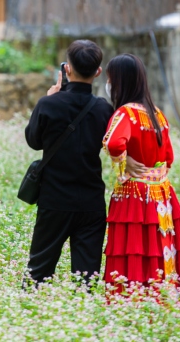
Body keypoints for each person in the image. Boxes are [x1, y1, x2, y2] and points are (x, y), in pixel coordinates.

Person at [102, 54, 180, 299]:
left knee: (135, 252)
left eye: (111, 78)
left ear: (120, 82)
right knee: (161, 249)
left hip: (135, 196)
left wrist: (124, 161)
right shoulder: (158, 115)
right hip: (162, 196)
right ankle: (165, 302)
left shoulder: (125, 114)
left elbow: (113, 143)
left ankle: (134, 305)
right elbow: (169, 158)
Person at [24, 40, 114, 285]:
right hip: (91, 202)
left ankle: (31, 313)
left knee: (38, 272)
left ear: (67, 69)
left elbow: (34, 141)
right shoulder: (104, 109)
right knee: (87, 278)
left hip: (54, 199)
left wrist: (49, 99)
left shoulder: (49, 103)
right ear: (97, 72)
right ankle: (84, 318)